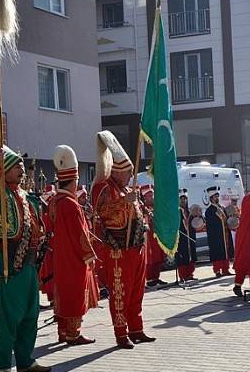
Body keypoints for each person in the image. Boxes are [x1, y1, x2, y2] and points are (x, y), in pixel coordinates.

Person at [0, 143, 50, 372]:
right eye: (16, 165)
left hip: (29, 264)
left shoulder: (25, 195)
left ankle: (26, 361)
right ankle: (1, 365)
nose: (21, 169)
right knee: (7, 318)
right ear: (5, 170)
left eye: (23, 165)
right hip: (8, 263)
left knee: (30, 314)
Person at [91, 131, 155, 349]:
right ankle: (121, 334)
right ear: (118, 172)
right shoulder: (104, 187)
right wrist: (123, 203)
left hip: (135, 247)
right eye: (128, 172)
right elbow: (100, 212)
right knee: (120, 294)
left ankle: (136, 329)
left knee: (137, 292)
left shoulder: (127, 188)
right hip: (118, 250)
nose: (130, 175)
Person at [46, 145, 98, 345]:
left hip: (61, 255)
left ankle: (63, 331)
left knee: (63, 293)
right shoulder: (70, 204)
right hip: (74, 257)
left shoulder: (55, 202)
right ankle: (73, 333)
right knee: (75, 293)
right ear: (73, 180)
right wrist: (89, 255)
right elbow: (80, 234)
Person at [142, 185, 167, 287]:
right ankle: (150, 278)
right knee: (150, 258)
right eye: (149, 196)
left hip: (157, 235)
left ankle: (156, 277)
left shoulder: (156, 207)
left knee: (158, 256)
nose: (152, 198)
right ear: (145, 197)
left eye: (152, 195)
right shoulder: (143, 208)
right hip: (148, 237)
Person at [205, 186, 233, 277]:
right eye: (215, 196)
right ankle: (217, 271)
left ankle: (226, 269)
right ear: (211, 198)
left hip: (225, 234)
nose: (217, 198)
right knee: (217, 252)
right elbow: (210, 225)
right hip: (215, 236)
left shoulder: (222, 207)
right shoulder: (209, 210)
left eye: (217, 196)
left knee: (225, 252)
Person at [176, 189, 197, 282]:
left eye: (185, 199)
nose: (183, 201)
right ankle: (182, 276)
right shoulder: (176, 212)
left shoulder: (190, 211)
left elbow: (195, 223)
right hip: (181, 238)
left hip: (190, 237)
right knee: (182, 256)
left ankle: (190, 274)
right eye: (181, 199)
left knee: (191, 255)